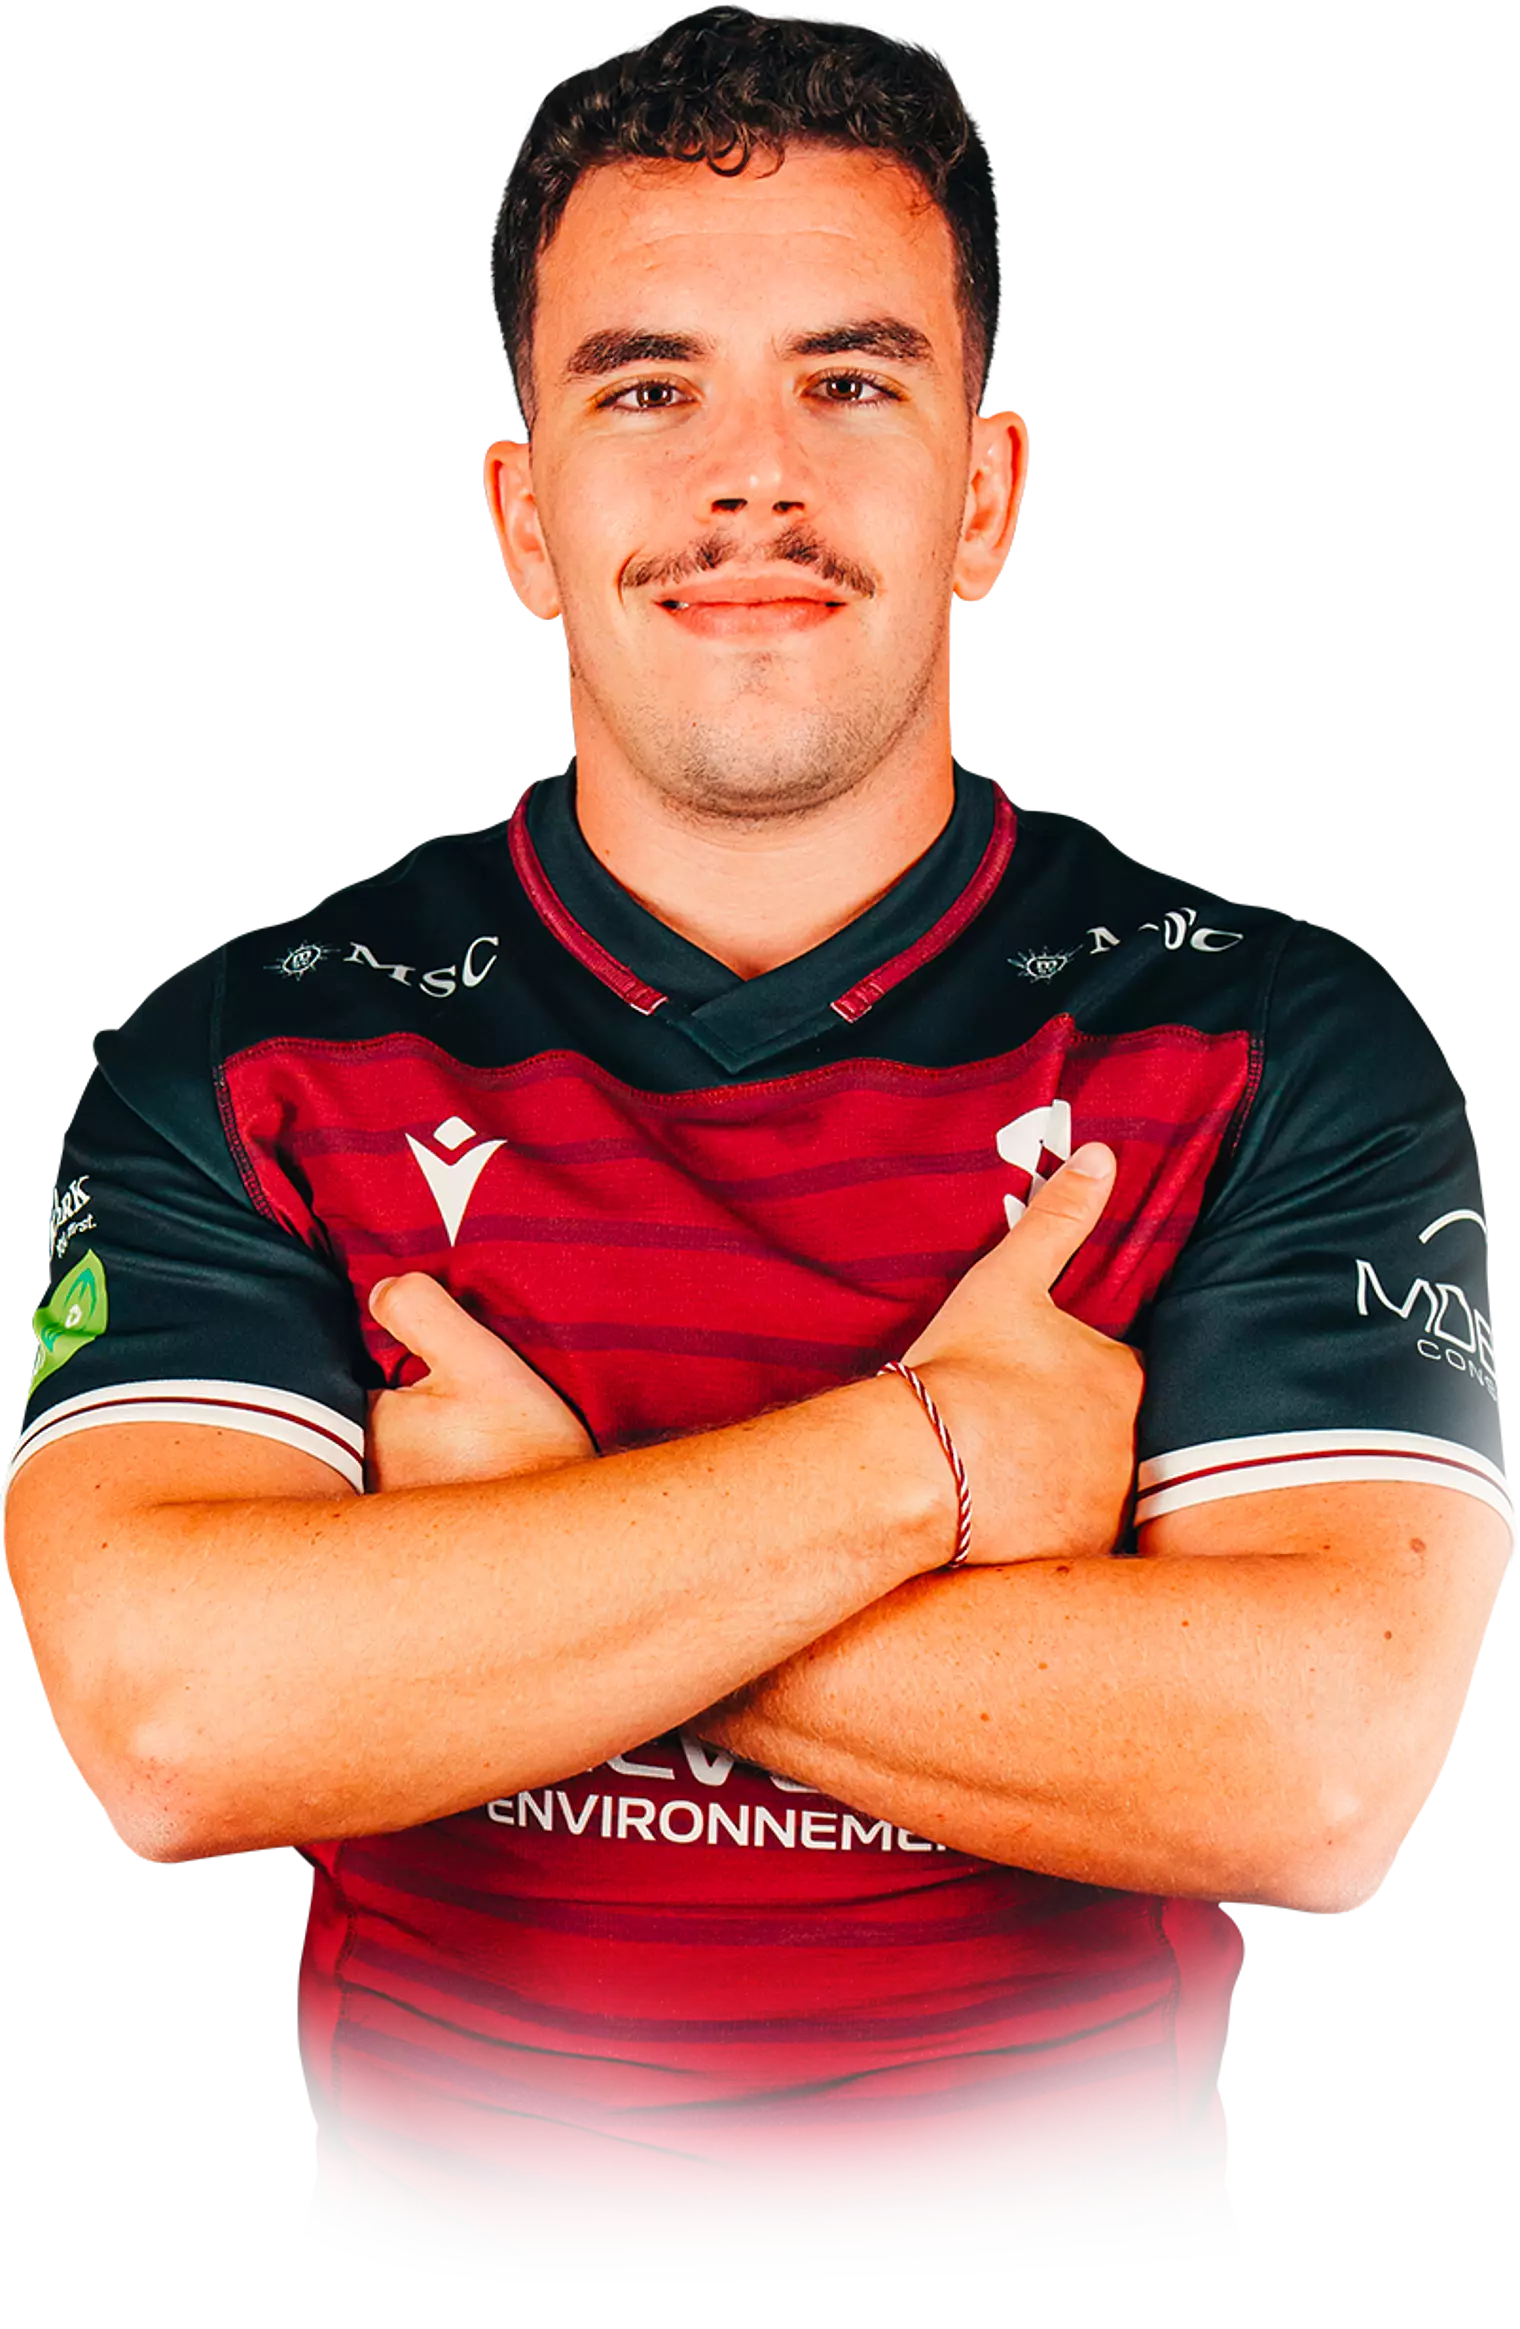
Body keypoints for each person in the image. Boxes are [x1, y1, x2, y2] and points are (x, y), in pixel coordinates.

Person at [5, 2, 1512, 2295]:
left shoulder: (1269, 1036)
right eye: (645, 391)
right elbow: (183, 1730)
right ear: (522, 517)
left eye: (850, 382)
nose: (750, 484)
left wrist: (516, 1555)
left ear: (985, 493)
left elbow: (1312, 1771)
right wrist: (931, 1466)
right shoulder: (249, 1051)